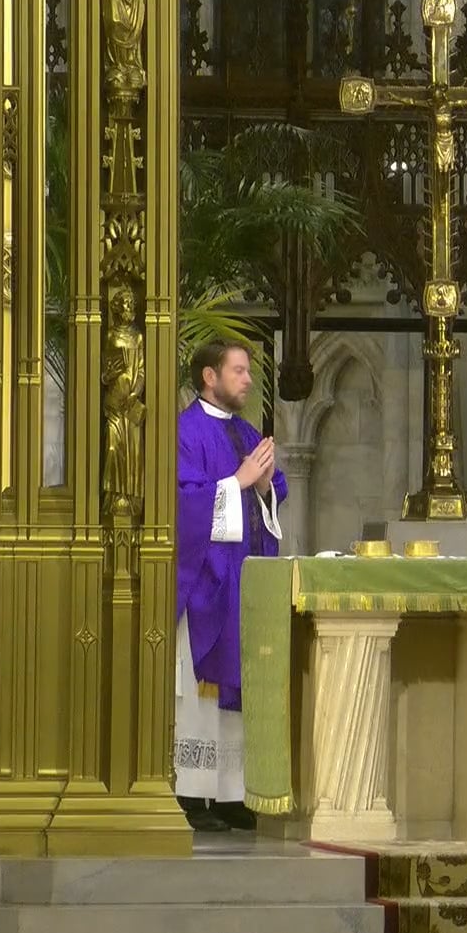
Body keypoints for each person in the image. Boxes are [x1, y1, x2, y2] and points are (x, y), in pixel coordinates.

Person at [173, 339, 286, 832]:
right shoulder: (185, 430)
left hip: (242, 577)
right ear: (209, 377)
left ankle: (232, 793)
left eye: (247, 372)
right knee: (200, 692)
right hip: (205, 580)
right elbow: (183, 502)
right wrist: (239, 482)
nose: (247, 380)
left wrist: (263, 488)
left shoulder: (245, 432)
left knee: (240, 686)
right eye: (238, 371)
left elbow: (273, 490)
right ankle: (193, 793)